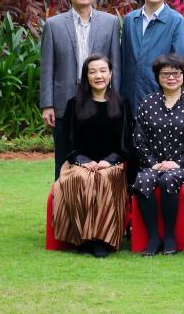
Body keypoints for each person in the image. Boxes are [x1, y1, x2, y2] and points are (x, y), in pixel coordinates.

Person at [41, 0, 122, 178]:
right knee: (64, 157)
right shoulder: (53, 24)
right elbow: (47, 66)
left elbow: (115, 63)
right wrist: (47, 104)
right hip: (64, 100)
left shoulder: (110, 22)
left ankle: (97, 199)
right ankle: (62, 198)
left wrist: (115, 99)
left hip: (100, 100)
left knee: (99, 156)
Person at [51, 54, 130, 257]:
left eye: (103, 71)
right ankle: (83, 239)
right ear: (86, 76)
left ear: (111, 74)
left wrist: (109, 161)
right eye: (92, 71)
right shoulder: (74, 104)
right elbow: (67, 141)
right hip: (79, 162)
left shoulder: (122, 104)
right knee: (81, 178)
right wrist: (82, 160)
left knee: (103, 178)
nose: (98, 76)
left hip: (112, 164)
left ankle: (101, 240)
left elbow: (126, 142)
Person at [130, 53, 184, 256]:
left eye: (176, 73)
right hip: (154, 164)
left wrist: (178, 163)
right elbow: (139, 138)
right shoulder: (148, 102)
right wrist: (152, 163)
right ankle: (154, 237)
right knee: (143, 179)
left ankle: (170, 236)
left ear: (183, 75)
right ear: (157, 77)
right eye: (165, 74)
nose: (171, 77)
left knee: (168, 179)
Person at [120, 0, 184, 111]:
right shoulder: (130, 20)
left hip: (161, 100)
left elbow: (179, 65)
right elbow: (124, 60)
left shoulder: (177, 22)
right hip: (129, 98)